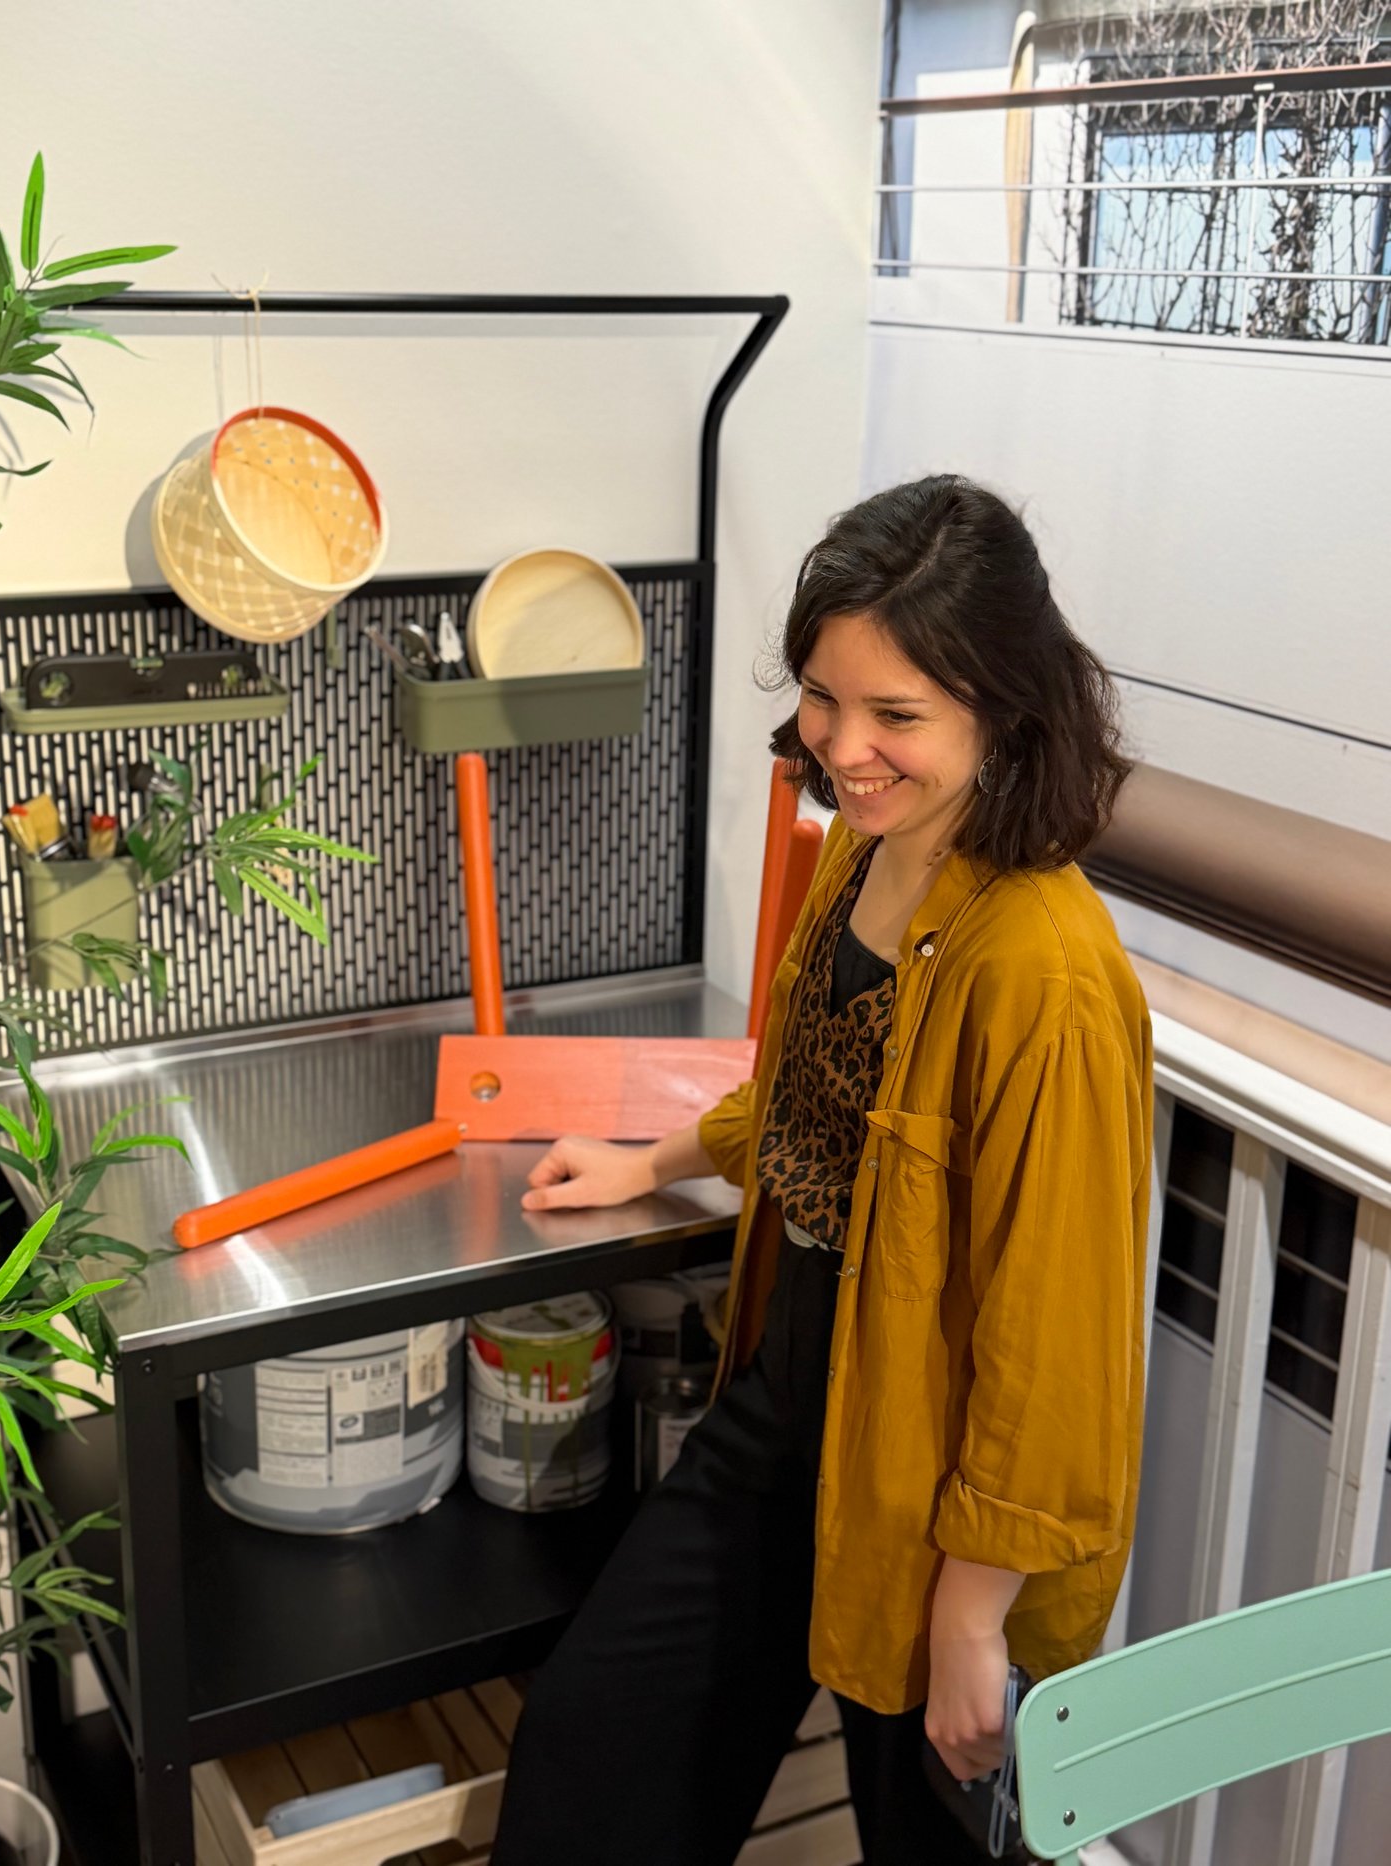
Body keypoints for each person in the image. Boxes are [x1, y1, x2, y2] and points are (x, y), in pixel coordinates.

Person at [489, 475, 1153, 1866]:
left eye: (896, 715)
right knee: (594, 1748)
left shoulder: (1043, 967)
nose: (842, 745)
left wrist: (972, 1615)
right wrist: (650, 1160)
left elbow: (1054, 1345)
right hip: (791, 1424)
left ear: (1005, 707)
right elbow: (819, 1100)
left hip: (935, 1501)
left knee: (927, 1839)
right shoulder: (874, 857)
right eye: (823, 696)